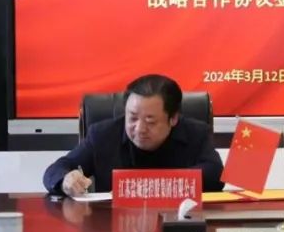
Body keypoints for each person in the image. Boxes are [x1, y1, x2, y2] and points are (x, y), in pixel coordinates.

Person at [43, 74, 224, 196]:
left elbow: (215, 174)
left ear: (173, 118)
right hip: (113, 231)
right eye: (133, 118)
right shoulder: (102, 135)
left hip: (176, 227)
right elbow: (57, 169)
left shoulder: (196, 133)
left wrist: (155, 185)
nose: (139, 129)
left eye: (150, 121)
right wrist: (66, 179)